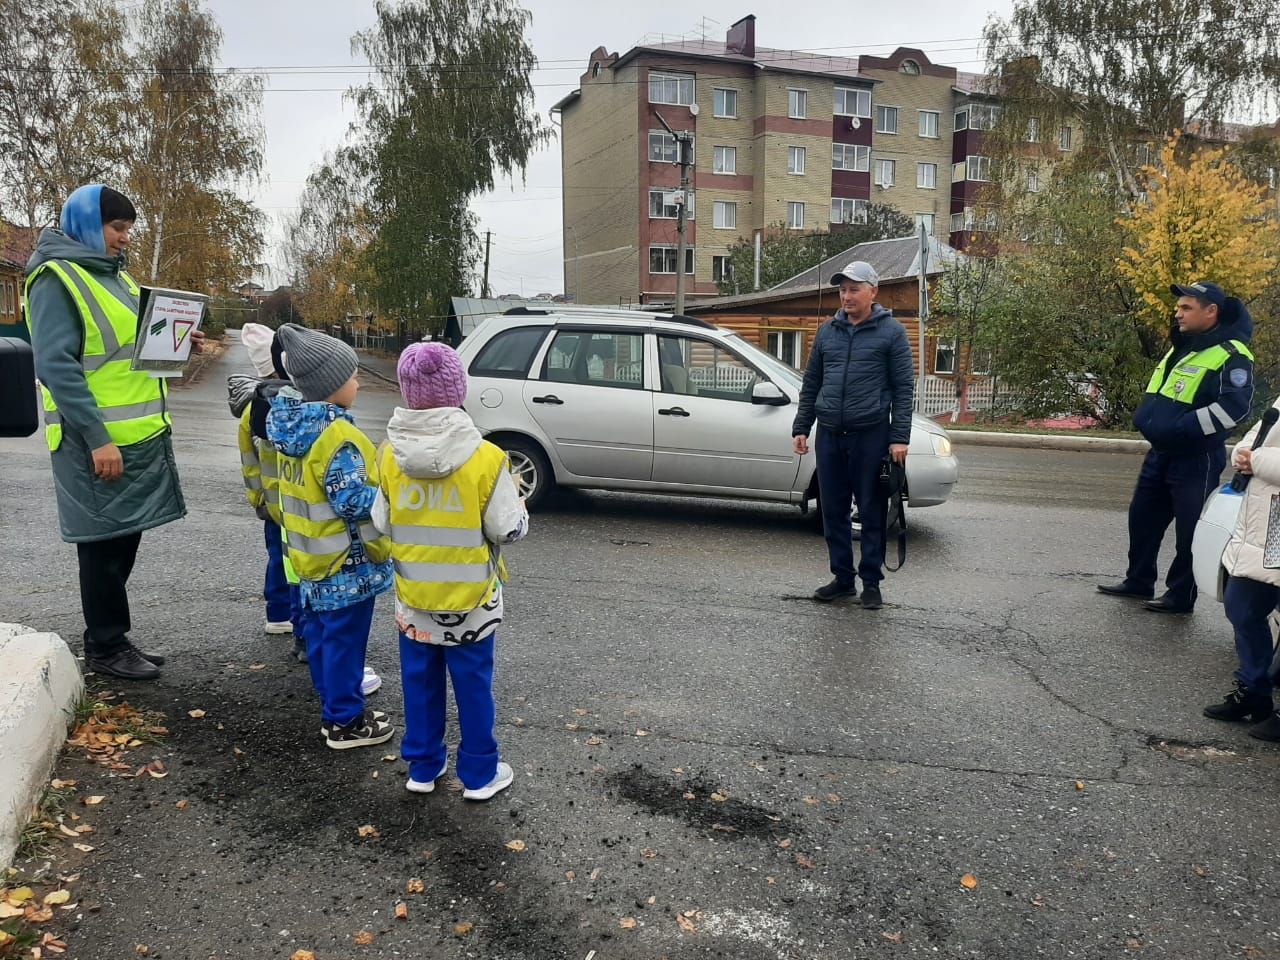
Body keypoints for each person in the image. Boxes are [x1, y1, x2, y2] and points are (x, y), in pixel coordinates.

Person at [25, 184, 201, 681]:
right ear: (86, 224)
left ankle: (111, 636)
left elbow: (132, 351)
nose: (125, 238)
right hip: (95, 440)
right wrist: (99, 438)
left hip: (137, 436)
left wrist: (183, 343)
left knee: (121, 541)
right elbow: (57, 367)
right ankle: (105, 645)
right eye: (117, 228)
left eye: (127, 229)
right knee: (102, 547)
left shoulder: (112, 276)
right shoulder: (55, 279)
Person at [372, 342, 528, 800]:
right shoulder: (486, 458)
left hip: (413, 601)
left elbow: (381, 521)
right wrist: (519, 509)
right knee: (474, 686)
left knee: (419, 683)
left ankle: (422, 767)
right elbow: (506, 530)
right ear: (458, 389)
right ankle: (479, 774)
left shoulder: (387, 455)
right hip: (471, 605)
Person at [267, 323, 394, 749]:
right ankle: (345, 721)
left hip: (309, 557)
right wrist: (391, 495)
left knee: (322, 637)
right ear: (332, 385)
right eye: (353, 376)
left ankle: (334, 707)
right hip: (346, 562)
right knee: (345, 643)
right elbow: (354, 500)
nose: (357, 383)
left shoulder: (287, 430)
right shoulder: (337, 436)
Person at [1098, 281, 1254, 613]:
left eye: (1186, 308)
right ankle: (1138, 581)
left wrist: (1181, 428)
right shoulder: (1184, 345)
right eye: (1179, 307)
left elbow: (1234, 409)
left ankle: (1180, 596)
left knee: (1189, 531)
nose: (1177, 313)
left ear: (1211, 311)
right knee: (1142, 519)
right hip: (1161, 453)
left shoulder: (1232, 354)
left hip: (1195, 457)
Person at [791, 261, 914, 611]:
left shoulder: (892, 333)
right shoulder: (828, 331)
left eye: (854, 288)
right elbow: (812, 383)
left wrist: (899, 437)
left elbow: (904, 389)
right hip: (830, 435)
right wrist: (802, 427)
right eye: (842, 289)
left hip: (871, 436)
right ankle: (843, 579)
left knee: (872, 510)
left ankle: (871, 582)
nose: (846, 295)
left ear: (873, 292)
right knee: (832, 511)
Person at [1205, 396, 1280, 741]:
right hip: (1264, 524)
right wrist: (1242, 454)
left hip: (1270, 518)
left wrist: (1257, 460)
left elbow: (1261, 454)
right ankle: (1254, 691)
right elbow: (1255, 438)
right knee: (1242, 606)